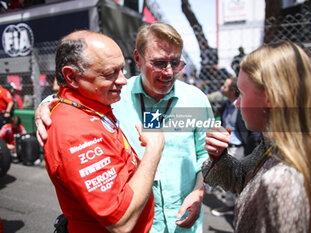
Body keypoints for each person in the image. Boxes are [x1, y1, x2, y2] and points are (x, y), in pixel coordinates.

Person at [35, 23, 213, 233]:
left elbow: (206, 155)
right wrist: (45, 106)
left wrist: (199, 192)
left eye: (176, 63)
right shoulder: (113, 94)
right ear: (137, 59)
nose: (169, 72)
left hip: (184, 224)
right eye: (159, 63)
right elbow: (72, 97)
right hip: (141, 225)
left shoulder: (196, 100)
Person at [202, 41, 311, 233]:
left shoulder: (281, 182)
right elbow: (242, 178)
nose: (238, 104)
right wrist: (219, 156)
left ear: (270, 97)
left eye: (241, 94)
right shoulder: (277, 147)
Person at [42, 30, 164, 233]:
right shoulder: (77, 132)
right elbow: (120, 221)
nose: (123, 80)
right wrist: (154, 150)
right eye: (110, 74)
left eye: (123, 70)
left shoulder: (95, 101)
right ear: (71, 77)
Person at [210, 76, 261, 217]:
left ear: (233, 91)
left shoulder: (242, 106)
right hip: (226, 147)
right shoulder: (225, 105)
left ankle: (241, 208)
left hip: (239, 148)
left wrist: (250, 152)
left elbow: (253, 133)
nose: (222, 88)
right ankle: (230, 205)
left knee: (238, 180)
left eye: (225, 86)